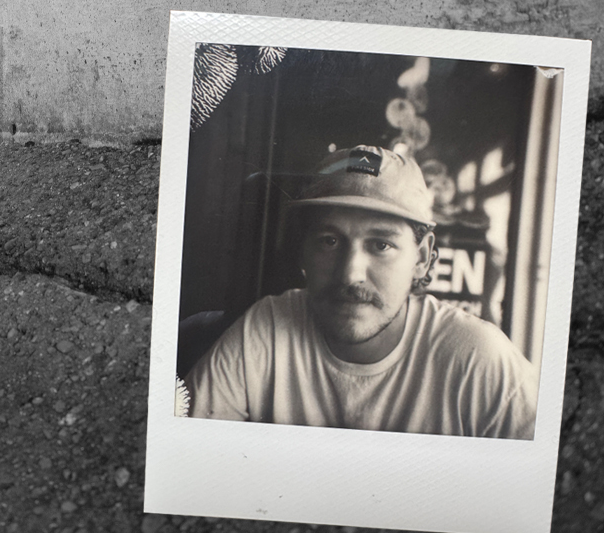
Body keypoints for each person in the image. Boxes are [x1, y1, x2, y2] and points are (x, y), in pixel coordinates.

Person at [185, 145, 538, 438]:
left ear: (423, 257)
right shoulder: (266, 328)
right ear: (303, 249)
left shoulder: (479, 359)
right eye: (330, 241)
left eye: (381, 244)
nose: (350, 274)